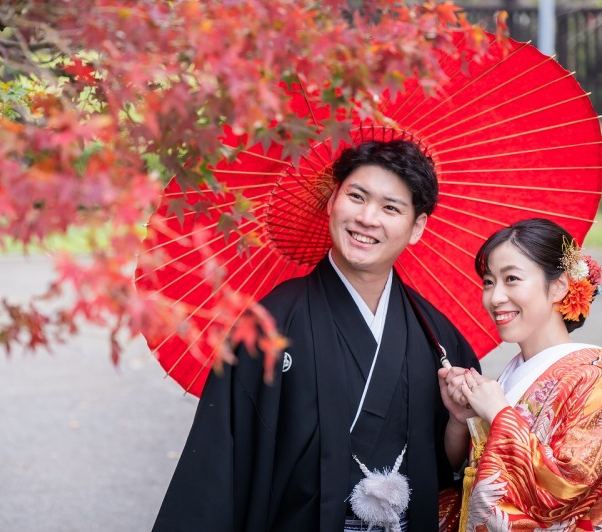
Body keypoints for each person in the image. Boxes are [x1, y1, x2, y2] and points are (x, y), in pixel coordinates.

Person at [153, 139, 481, 532]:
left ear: (417, 227)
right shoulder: (272, 323)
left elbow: (456, 467)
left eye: (390, 208)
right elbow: (219, 458)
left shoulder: (436, 335)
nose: (367, 218)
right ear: (331, 202)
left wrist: (459, 423)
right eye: (356, 197)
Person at [440, 218, 602, 530]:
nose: (495, 297)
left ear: (559, 286)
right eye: (489, 282)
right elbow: (470, 473)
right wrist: (460, 420)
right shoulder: (511, 375)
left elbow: (563, 490)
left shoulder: (588, 381)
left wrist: (500, 414)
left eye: (512, 278)